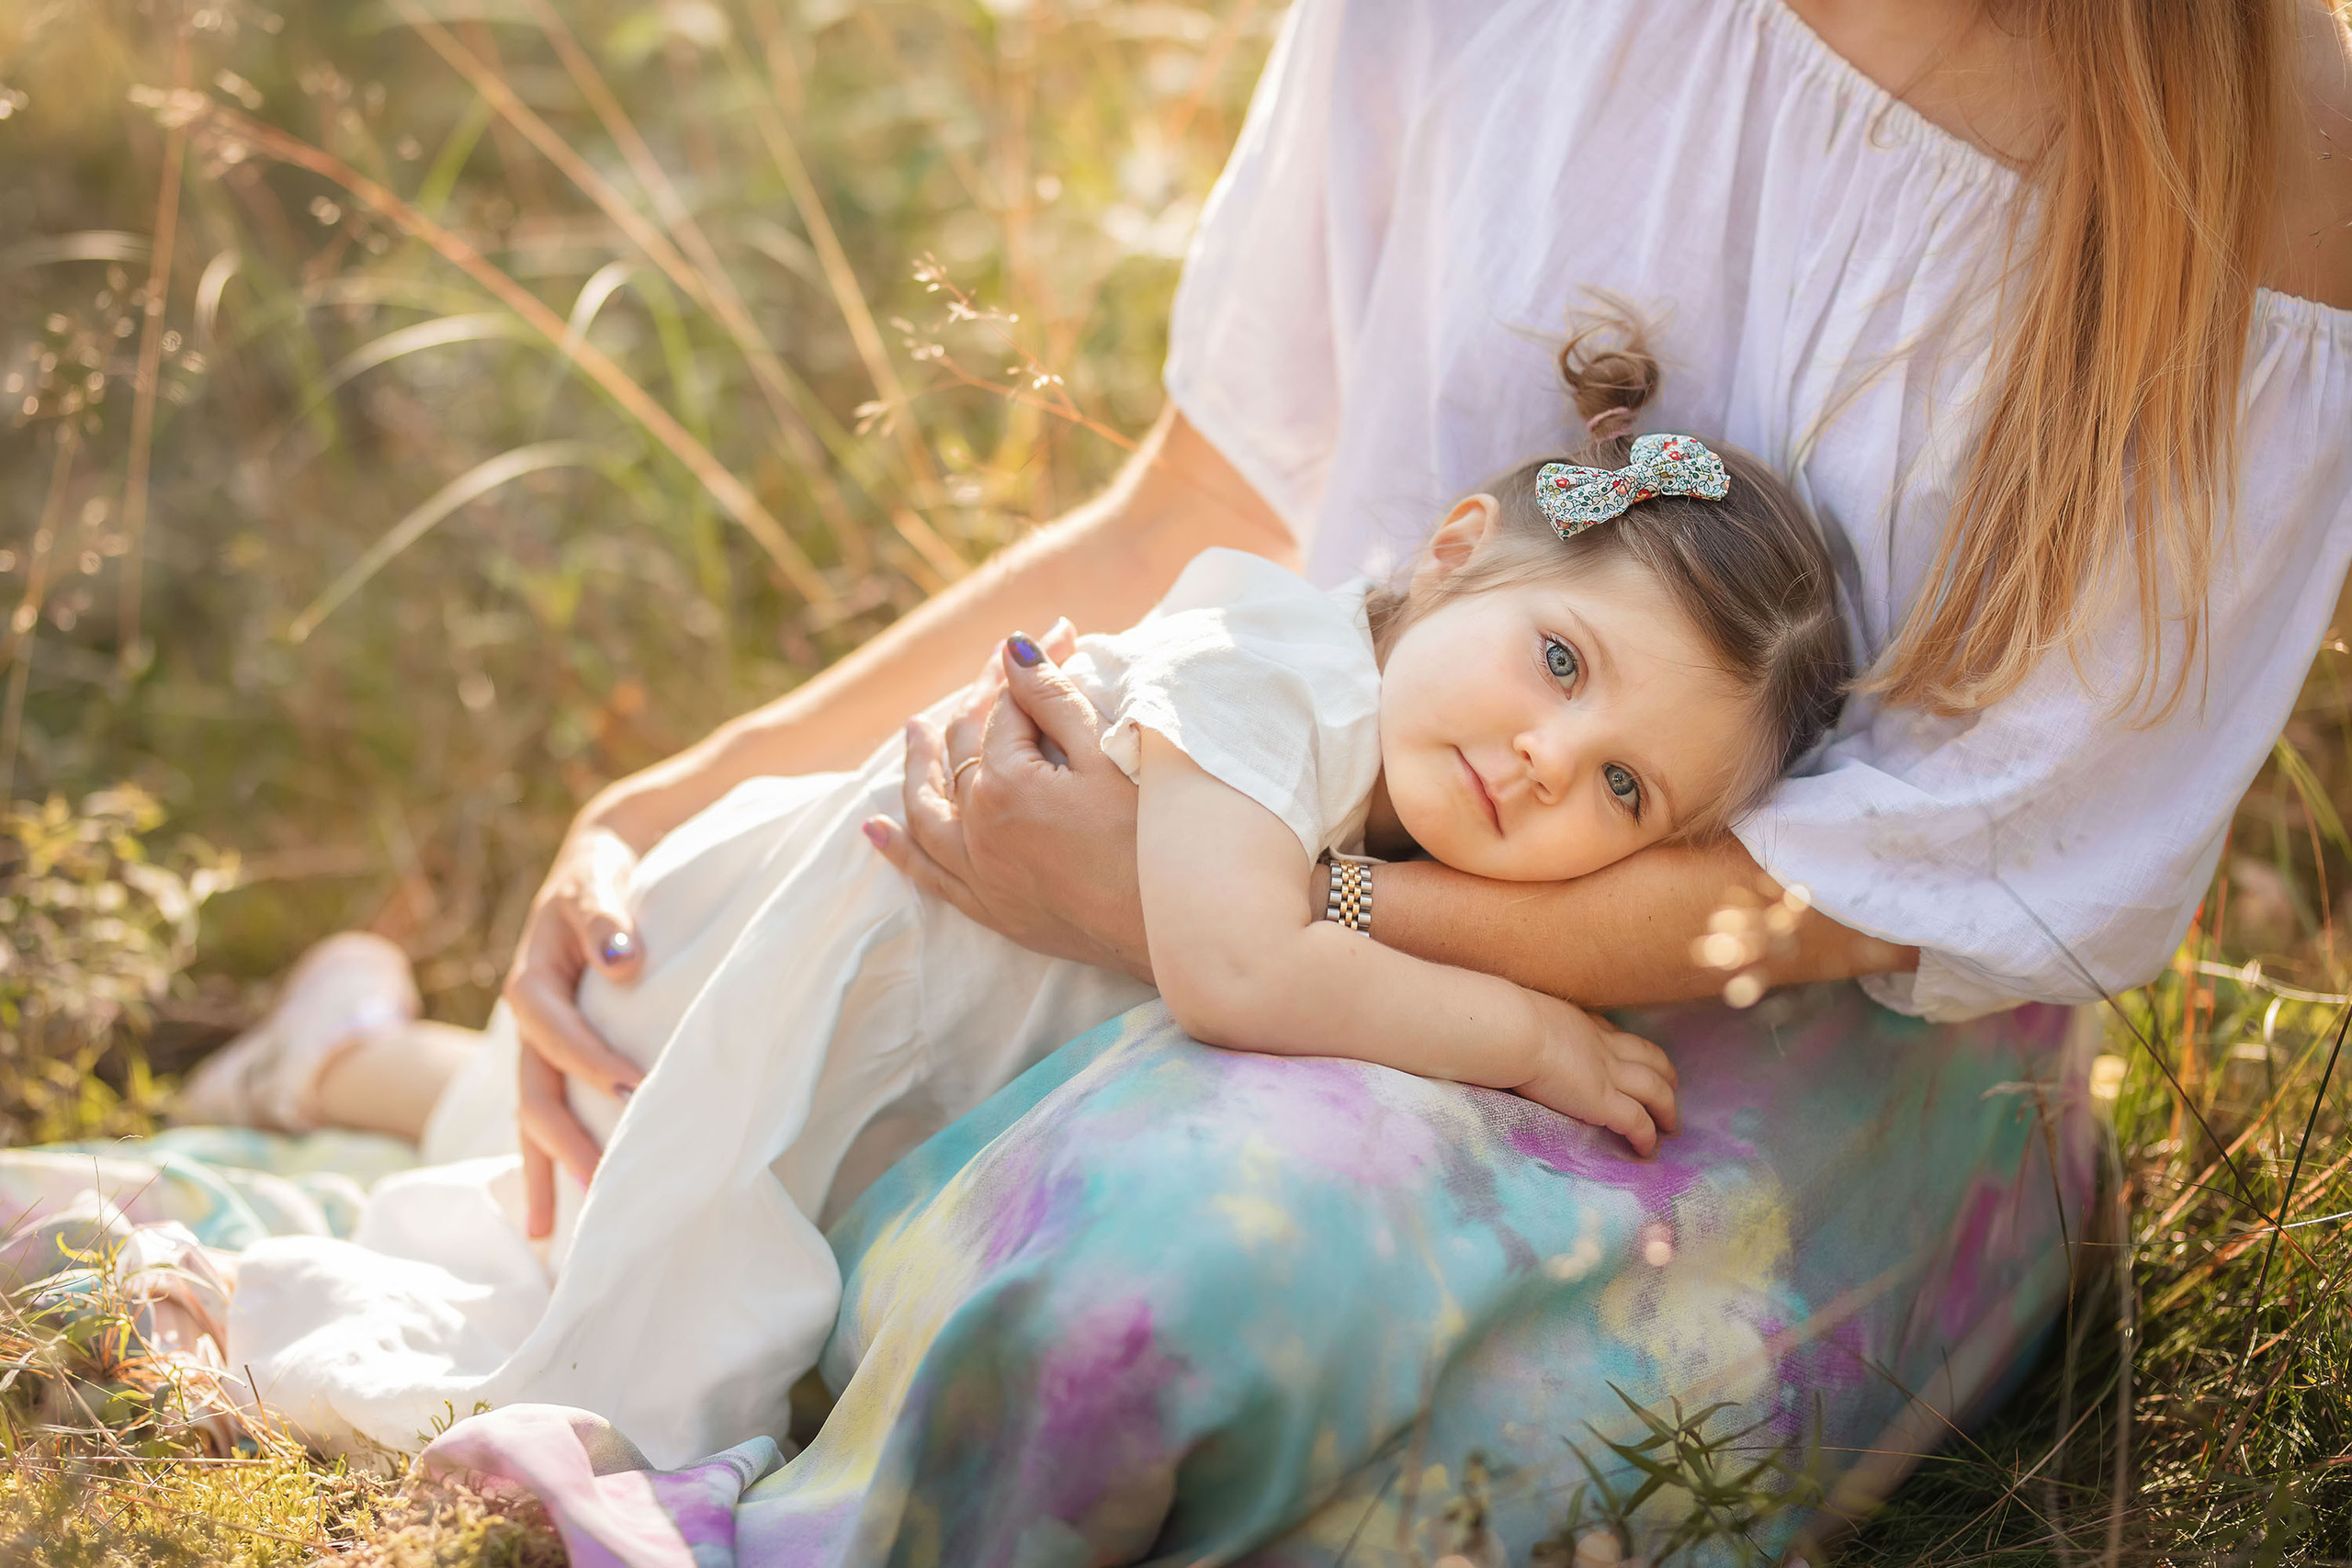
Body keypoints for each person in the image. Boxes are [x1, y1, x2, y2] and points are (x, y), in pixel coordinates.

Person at [85, 0, 2352, 1559]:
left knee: (1123, 1307)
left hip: (1777, 1028)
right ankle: (366, 1062)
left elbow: (1879, 887)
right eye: (1557, 661)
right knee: (744, 1070)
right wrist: (676, 786)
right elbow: (1211, 500)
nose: (1556, 730)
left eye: (1609, 739)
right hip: (1272, 860)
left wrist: (1241, 908)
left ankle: (419, 1117)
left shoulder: (2264, 153)